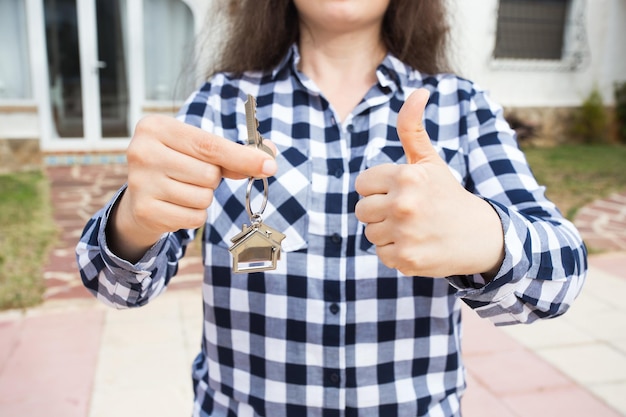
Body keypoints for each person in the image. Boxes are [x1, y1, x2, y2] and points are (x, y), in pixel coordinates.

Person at [76, 1, 587, 416]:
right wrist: (134, 221)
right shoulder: (220, 104)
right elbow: (115, 286)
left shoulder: (460, 107)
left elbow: (561, 276)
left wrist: (487, 237)